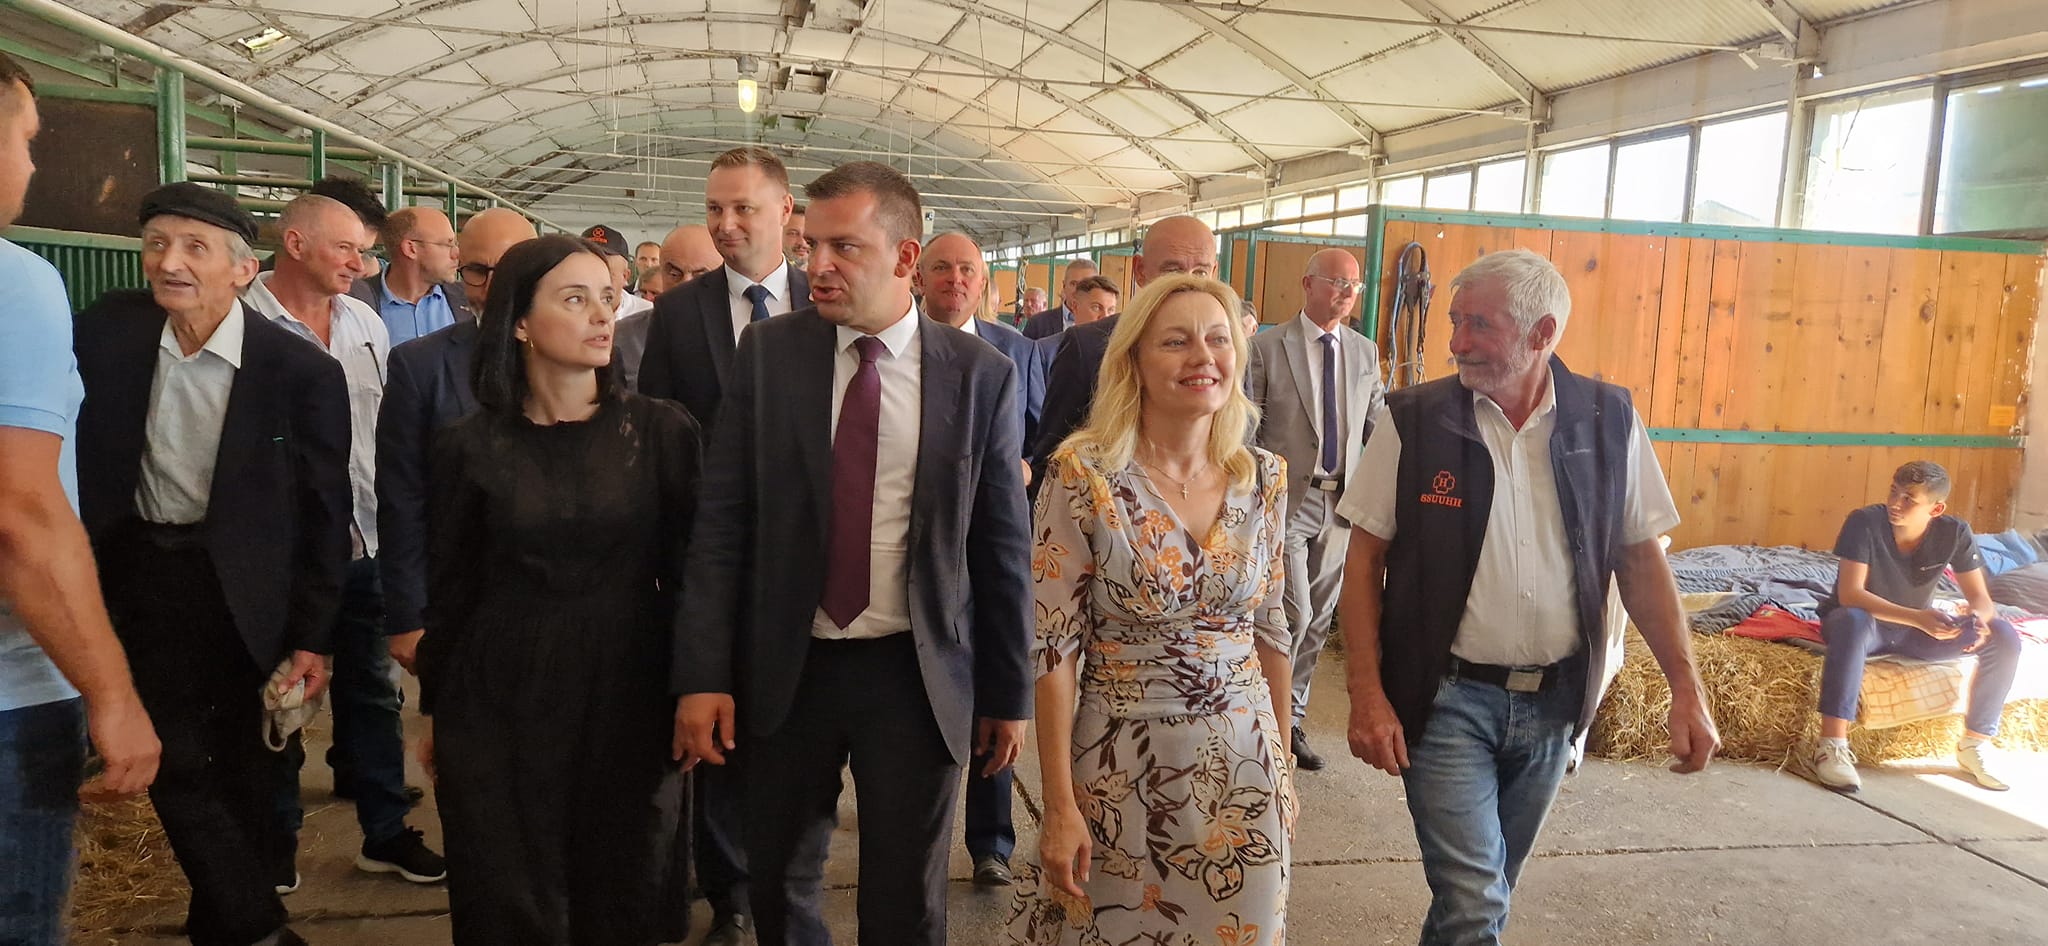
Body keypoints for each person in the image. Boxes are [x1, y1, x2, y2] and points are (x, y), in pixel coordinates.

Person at [674, 161, 1032, 946]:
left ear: (905, 258)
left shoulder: (980, 376)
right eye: (812, 246)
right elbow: (722, 524)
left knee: (906, 895)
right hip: (787, 665)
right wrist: (702, 674)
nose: (819, 266)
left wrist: (1009, 694)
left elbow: (1001, 547)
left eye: (845, 248)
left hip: (914, 670)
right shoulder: (770, 355)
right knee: (780, 880)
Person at [1336, 249, 1718, 946]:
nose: (1456, 342)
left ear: (1542, 333)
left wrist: (1685, 689)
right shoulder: (1415, 420)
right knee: (1475, 898)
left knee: (1482, 896)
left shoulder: (1608, 419)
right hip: (1445, 700)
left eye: (1478, 324)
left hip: (1554, 704)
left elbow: (1640, 558)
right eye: (1454, 321)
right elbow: (1363, 559)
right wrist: (1366, 692)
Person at [75, 182, 352, 946]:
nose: (170, 262)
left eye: (194, 248)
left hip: (245, 591)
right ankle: (261, 927)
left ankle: (224, 926)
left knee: (247, 769)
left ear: (243, 270)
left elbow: (326, 513)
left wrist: (314, 636)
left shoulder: (297, 372)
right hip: (141, 576)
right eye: (157, 244)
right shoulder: (108, 332)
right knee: (171, 755)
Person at [421, 235, 700, 945]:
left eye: (607, 297)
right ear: (518, 321)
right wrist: (435, 713)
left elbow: (693, 574)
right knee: (510, 884)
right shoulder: (466, 446)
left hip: (629, 684)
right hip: (500, 690)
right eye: (575, 300)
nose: (602, 316)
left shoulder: (661, 432)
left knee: (623, 879)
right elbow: (451, 589)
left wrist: (698, 686)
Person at [1006, 275, 1295, 946]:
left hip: (1246, 770)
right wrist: (1058, 806)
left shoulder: (1264, 477)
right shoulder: (1083, 476)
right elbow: (1052, 649)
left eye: (1218, 339)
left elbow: (1272, 629)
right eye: (1176, 342)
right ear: (1133, 359)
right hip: (1121, 771)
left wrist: (1281, 767)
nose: (1203, 357)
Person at [0, 52, 160, 945]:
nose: (30, 164)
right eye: (26, 139)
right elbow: (19, 516)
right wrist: (112, 692)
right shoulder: (15, 282)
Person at [243, 194, 445, 890]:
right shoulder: (244, 321)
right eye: (346, 249)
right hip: (283, 554)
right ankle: (275, 845)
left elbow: (388, 430)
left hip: (365, 540)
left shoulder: (363, 322)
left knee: (374, 693)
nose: (360, 264)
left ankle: (385, 832)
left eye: (363, 250)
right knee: (281, 696)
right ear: (295, 244)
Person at [915, 230, 1042, 886]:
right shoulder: (899, 349)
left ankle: (991, 841)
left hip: (992, 539)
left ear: (984, 282)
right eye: (942, 267)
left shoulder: (1015, 351)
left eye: (967, 269)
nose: (955, 279)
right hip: (924, 545)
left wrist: (1025, 468)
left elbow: (1045, 432)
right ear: (918, 276)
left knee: (997, 679)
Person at [377, 206, 536, 676]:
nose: (493, 286)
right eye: (477, 270)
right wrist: (407, 615)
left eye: (509, 269)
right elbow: (402, 498)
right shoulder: (420, 365)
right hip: (462, 602)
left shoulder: (585, 359)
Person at [1246, 248, 1382, 771]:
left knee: (1321, 617)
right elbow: (1248, 428)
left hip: (1341, 502)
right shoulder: (1267, 348)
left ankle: (1292, 719)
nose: (1347, 294)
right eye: (1337, 282)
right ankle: (1268, 714)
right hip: (1286, 501)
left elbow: (1378, 424)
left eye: (1354, 285)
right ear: (1307, 284)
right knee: (1293, 613)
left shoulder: (1364, 352)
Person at [1807, 461, 2021, 793]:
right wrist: (1917, 617)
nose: (1895, 503)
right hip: (1866, 626)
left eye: (1909, 499)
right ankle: (1832, 745)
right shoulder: (1864, 522)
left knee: (2003, 634)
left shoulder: (1954, 532)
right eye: (1894, 491)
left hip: (1915, 630)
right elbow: (1851, 595)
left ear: (1936, 509)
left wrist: (1979, 619)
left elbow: (1981, 599)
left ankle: (1974, 743)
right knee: (1853, 620)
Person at [1031, 216, 1217, 491]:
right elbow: (1051, 465)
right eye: (1172, 271)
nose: (1186, 285)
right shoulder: (1088, 347)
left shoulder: (1228, 353)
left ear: (1214, 273)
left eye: (1200, 272)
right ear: (1140, 271)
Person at [641, 147, 810, 436]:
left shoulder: (823, 302)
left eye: (743, 208)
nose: (726, 225)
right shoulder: (676, 310)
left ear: (785, 209)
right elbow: (656, 422)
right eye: (715, 209)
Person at [367, 207, 471, 345]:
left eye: (455, 244)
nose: (456, 254)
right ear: (411, 249)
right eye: (447, 244)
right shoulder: (356, 301)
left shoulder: (469, 298)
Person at [1020, 259, 1097, 339]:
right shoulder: (1037, 323)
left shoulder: (1102, 326)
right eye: (1073, 284)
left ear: (1096, 289)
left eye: (1086, 285)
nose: (1078, 290)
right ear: (1064, 286)